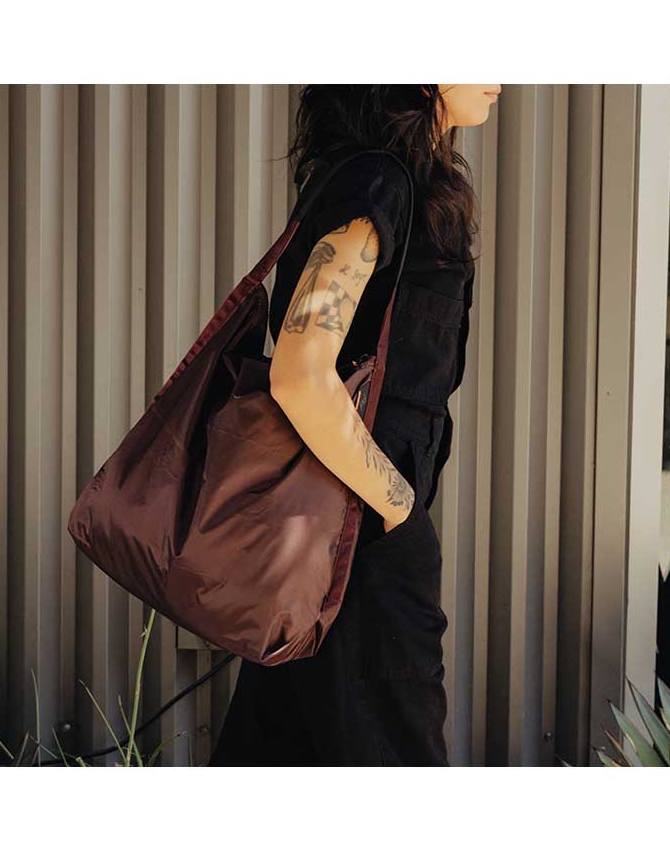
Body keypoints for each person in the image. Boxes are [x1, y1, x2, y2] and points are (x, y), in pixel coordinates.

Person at [208, 84, 497, 766]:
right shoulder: (378, 183)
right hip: (357, 544)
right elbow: (300, 373)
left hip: (327, 533)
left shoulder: (397, 183)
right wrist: (399, 512)